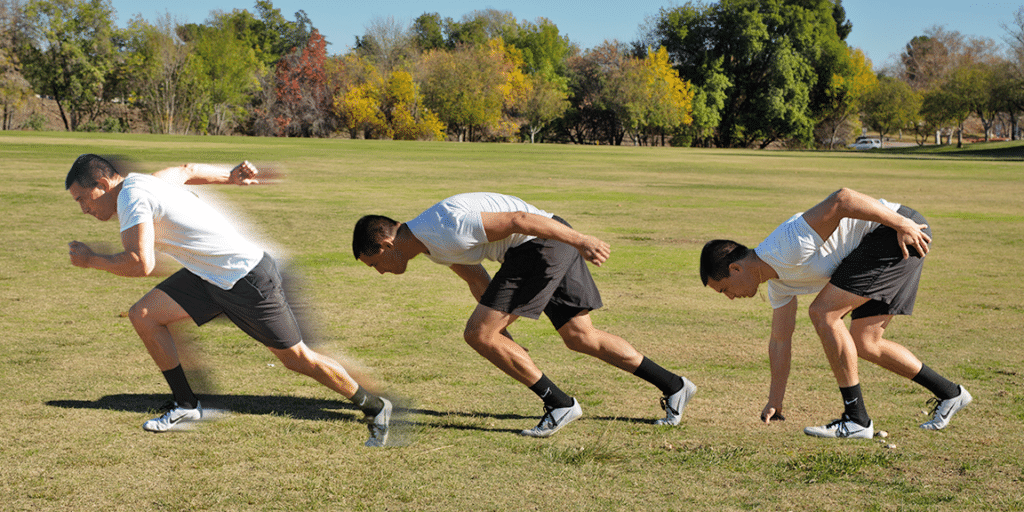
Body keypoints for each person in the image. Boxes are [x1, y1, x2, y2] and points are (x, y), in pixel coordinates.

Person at [65, 154, 392, 446]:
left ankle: (374, 406)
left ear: (104, 183)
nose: (83, 209)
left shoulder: (131, 198)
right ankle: (186, 406)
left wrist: (92, 259)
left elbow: (141, 263)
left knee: (297, 359)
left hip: (246, 279)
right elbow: (186, 169)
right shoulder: (146, 181)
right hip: (209, 276)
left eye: (83, 199)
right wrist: (231, 176)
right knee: (144, 314)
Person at [352, 192, 696, 437]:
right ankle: (674, 385)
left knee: (476, 334)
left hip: (543, 243)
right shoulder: (432, 246)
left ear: (385, 245)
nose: (380, 272)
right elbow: (478, 280)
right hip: (551, 241)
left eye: (375, 264)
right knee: (580, 336)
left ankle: (559, 404)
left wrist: (581, 240)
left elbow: (520, 220)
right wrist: (500, 338)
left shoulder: (443, 225)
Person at [700, 188, 971, 439]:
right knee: (866, 343)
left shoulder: (783, 247)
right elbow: (780, 340)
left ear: (735, 269)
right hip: (876, 245)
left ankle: (856, 420)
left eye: (724, 289)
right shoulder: (777, 285)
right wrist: (775, 399)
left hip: (895, 231)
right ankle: (950, 393)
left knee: (823, 313)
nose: (730, 297)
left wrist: (900, 223)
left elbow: (843, 199)